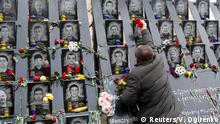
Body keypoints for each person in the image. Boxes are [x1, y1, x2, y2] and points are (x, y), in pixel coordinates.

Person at [120, 20, 182, 123]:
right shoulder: (158, 59)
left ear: (138, 59)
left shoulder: (136, 74)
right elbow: (150, 44)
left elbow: (127, 99)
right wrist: (144, 28)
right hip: (173, 113)